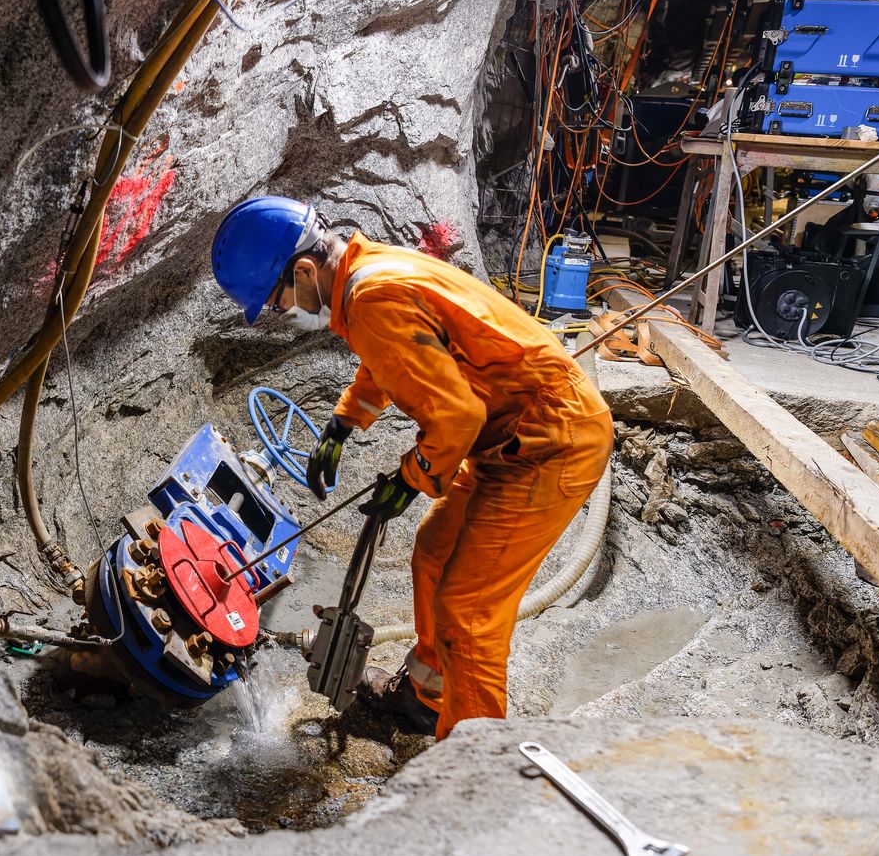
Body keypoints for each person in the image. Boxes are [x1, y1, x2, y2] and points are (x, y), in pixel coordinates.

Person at [209, 196, 613, 739]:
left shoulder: (371, 296)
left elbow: (457, 415)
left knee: (467, 611)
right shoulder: (365, 274)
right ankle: (427, 697)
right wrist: (343, 422)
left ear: (304, 270)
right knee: (434, 550)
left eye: (278, 303)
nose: (285, 314)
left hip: (549, 441)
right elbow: (396, 356)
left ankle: (471, 768)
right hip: (511, 436)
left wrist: (412, 477)